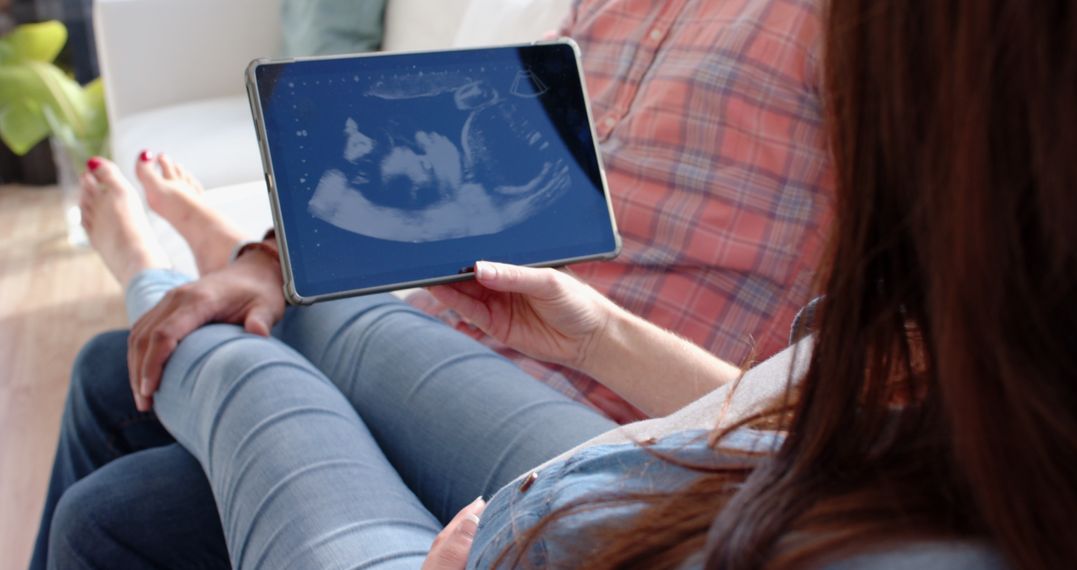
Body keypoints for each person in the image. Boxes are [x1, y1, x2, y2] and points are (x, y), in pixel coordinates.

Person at [32, 1, 831, 566]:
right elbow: (485, 186)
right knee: (114, 368)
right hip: (469, 334)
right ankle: (232, 259)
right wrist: (274, 259)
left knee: (110, 517)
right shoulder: (615, 8)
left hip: (615, 414)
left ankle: (180, 259)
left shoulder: (867, 42)